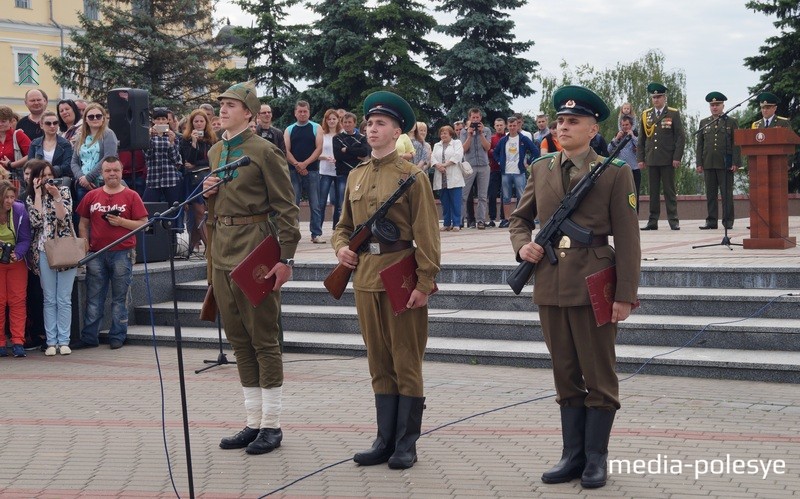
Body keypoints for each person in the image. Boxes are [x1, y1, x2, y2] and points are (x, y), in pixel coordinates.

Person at [509, 85, 640, 489]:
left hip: (595, 283)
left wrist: (624, 295)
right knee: (565, 372)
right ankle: (572, 455)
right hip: (549, 282)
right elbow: (519, 219)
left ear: (591, 127)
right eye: (560, 121)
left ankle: (595, 460)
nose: (563, 127)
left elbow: (629, 238)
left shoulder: (615, 172)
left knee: (598, 374)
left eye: (573, 121)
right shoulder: (541, 167)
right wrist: (523, 247)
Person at [332, 90, 440, 470]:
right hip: (364, 276)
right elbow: (343, 227)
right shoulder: (356, 175)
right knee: (378, 359)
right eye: (369, 124)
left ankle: (406, 442)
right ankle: (384, 438)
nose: (372, 129)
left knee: (406, 360)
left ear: (397, 132)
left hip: (400, 274)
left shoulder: (412, 177)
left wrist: (424, 283)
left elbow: (428, 234)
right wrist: (341, 248)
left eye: (380, 124)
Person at [202, 80, 300, 455]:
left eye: (231, 105)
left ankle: (272, 426)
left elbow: (287, 209)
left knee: (264, 339)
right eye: (221, 104)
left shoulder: (264, 151)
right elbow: (213, 214)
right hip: (222, 251)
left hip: (255, 251)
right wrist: (209, 194)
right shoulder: (215, 151)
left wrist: (285, 258)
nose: (222, 110)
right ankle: (253, 421)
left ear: (248, 112)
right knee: (239, 340)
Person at [71, 157, 148, 350]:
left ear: (121, 172)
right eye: (108, 171)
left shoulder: (132, 196)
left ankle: (118, 335)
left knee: (119, 297)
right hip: (97, 253)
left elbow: (143, 223)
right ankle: (89, 336)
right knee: (94, 297)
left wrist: (121, 222)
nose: (112, 173)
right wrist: (85, 244)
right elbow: (83, 223)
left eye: (115, 170)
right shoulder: (92, 195)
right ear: (102, 174)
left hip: (123, 252)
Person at [25, 160, 77, 356]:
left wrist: (55, 196)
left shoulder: (63, 191)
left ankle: (64, 340)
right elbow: (36, 222)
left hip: (63, 249)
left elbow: (65, 218)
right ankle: (51, 341)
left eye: (49, 174)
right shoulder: (31, 197)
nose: (47, 179)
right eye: (42, 175)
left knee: (63, 298)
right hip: (43, 251)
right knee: (49, 299)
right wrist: (38, 194)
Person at [638, 82, 686, 231]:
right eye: (654, 97)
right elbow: (641, 139)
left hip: (667, 158)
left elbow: (680, 137)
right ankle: (653, 221)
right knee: (653, 192)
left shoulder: (672, 113)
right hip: (652, 158)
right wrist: (640, 158)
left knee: (669, 191)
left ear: (664, 98)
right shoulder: (646, 115)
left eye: (659, 97)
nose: (656, 100)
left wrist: (677, 157)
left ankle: (673, 220)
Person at [696, 92, 741, 230]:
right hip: (708, 162)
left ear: (723, 105)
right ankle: (711, 221)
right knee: (710, 194)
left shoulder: (731, 122)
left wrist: (736, 162)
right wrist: (699, 163)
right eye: (712, 105)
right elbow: (700, 145)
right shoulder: (704, 122)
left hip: (725, 163)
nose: (714, 107)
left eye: (717, 105)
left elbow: (736, 143)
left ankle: (728, 221)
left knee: (726, 194)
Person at [0, 180, 32, 358]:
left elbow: (26, 239)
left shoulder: (19, 210)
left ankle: (18, 341)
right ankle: (1, 342)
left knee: (17, 301)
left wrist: (17, 254)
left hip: (16, 262)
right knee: (0, 302)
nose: (10, 201)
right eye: (6, 197)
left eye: (12, 197)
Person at [284, 100, 324, 243]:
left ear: (309, 112)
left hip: (312, 170)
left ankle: (316, 234)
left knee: (315, 203)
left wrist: (305, 164)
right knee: (294, 203)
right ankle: (294, 233)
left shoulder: (316, 127)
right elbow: (286, 150)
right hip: (294, 171)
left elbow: (319, 149)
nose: (302, 114)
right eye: (300, 111)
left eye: (305, 111)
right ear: (295, 113)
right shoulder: (289, 129)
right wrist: (297, 164)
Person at [179, 109, 217, 254]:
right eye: (196, 121)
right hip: (194, 180)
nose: (199, 124)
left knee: (210, 212)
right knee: (199, 212)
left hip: (209, 177)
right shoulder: (186, 139)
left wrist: (198, 164)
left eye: (202, 121)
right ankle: (209, 247)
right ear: (192, 123)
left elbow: (212, 158)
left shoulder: (212, 138)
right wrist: (194, 143)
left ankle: (209, 245)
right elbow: (188, 160)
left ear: (206, 123)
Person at [70, 103, 118, 214]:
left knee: (101, 217)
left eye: (98, 116)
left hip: (101, 183)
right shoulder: (81, 137)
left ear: (103, 118)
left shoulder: (108, 134)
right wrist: (82, 178)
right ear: (86, 120)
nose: (95, 118)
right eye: (91, 116)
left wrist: (89, 177)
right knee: (84, 217)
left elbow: (109, 157)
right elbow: (74, 162)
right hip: (83, 184)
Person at [143, 107, 183, 230]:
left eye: (163, 119)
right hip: (153, 177)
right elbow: (147, 156)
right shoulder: (148, 136)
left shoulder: (172, 136)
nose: (160, 122)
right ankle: (149, 232)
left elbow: (176, 159)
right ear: (153, 121)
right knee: (148, 205)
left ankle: (173, 236)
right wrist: (148, 139)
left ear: (167, 121)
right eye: (158, 119)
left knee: (173, 207)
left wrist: (171, 143)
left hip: (170, 177)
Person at [494, 116, 538, 224]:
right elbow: (495, 152)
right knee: (506, 196)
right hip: (506, 172)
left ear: (517, 125)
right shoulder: (504, 140)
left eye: (514, 125)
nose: (512, 128)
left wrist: (528, 162)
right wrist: (500, 161)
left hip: (519, 171)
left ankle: (522, 218)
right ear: (507, 126)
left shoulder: (523, 139)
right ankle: (507, 219)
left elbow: (535, 151)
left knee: (521, 195)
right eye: (510, 126)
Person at [460, 107, 492, 229]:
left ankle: (481, 221)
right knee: (464, 194)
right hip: (470, 166)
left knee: (482, 196)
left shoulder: (487, 130)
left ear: (480, 118)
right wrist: (470, 135)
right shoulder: (464, 131)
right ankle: (460, 220)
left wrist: (481, 133)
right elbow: (464, 149)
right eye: (473, 118)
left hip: (484, 166)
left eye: (477, 117)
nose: (475, 120)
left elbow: (487, 147)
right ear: (469, 118)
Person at [431, 125, 465, 231]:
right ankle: (446, 223)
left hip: (454, 177)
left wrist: (444, 165)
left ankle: (456, 223)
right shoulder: (437, 145)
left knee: (455, 202)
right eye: (441, 133)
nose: (443, 135)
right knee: (445, 202)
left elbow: (458, 155)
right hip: (441, 178)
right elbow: (432, 157)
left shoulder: (457, 143)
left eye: (445, 133)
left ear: (450, 134)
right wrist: (438, 165)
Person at [27, 111, 74, 181]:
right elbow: (30, 165)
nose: (52, 126)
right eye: (48, 123)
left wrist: (49, 172)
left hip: (59, 179)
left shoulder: (65, 144)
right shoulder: (35, 143)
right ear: (41, 125)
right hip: (39, 179)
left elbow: (67, 166)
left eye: (55, 123)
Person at [317, 109, 343, 230]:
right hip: (325, 171)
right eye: (329, 119)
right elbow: (316, 154)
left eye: (334, 119)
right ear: (326, 120)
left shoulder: (342, 134)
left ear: (338, 120)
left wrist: (339, 159)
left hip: (339, 171)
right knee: (321, 203)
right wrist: (325, 157)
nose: (332, 121)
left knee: (339, 203)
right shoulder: (322, 134)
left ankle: (337, 229)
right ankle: (318, 229)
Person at [609, 115, 641, 212]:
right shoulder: (618, 136)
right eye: (623, 125)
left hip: (634, 169)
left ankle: (635, 215)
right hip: (620, 170)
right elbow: (609, 150)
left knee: (634, 194)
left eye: (627, 125)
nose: (625, 127)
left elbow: (641, 147)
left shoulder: (635, 136)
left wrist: (633, 137)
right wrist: (616, 139)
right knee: (621, 193)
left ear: (631, 125)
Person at [0, 106, 32, 184]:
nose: (0, 124)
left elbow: (31, 154)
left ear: (11, 122)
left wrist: (12, 164)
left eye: (3, 121)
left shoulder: (18, 135)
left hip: (14, 179)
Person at [488, 117, 507, 227]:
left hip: (506, 170)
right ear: (494, 126)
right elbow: (488, 152)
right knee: (492, 194)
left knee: (505, 195)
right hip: (494, 169)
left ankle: (504, 218)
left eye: (501, 125)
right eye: (497, 125)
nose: (499, 127)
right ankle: (492, 218)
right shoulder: (492, 138)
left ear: (504, 126)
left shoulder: (508, 137)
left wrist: (495, 151)